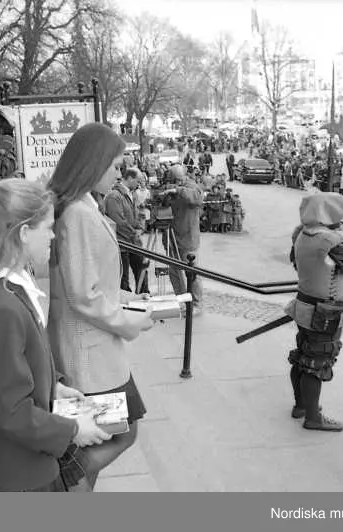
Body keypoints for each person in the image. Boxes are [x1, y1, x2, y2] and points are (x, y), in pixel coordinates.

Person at [0, 178, 110, 492]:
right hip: (12, 474)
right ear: (24, 233)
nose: (53, 236)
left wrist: (52, 386)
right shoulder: (0, 307)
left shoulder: (13, 287)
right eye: (48, 227)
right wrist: (70, 430)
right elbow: (8, 409)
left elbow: (16, 366)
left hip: (23, 464)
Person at [47, 123, 154, 491]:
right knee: (116, 437)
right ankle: (61, 486)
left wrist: (127, 298)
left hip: (98, 352)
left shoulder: (85, 206)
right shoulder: (78, 212)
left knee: (113, 436)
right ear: (92, 165)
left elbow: (96, 283)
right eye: (114, 165)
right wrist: (128, 322)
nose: (119, 173)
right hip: (90, 357)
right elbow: (82, 294)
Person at [286, 193, 343, 432]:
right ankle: (313, 417)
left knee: (303, 356)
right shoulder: (332, 239)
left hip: (304, 306)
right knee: (317, 362)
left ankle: (301, 405)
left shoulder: (301, 233)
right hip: (325, 312)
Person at [162, 165, 204, 314]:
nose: (178, 182)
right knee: (174, 270)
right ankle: (181, 301)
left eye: (180, 179)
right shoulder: (170, 185)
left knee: (191, 272)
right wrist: (165, 196)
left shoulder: (191, 185)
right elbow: (163, 205)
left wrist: (178, 190)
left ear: (184, 176)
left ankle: (196, 304)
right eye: (175, 180)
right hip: (172, 236)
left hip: (188, 236)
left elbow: (198, 198)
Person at [103, 169, 148, 294]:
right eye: (137, 181)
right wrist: (134, 232)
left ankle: (144, 294)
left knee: (142, 271)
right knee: (124, 279)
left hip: (133, 242)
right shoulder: (114, 196)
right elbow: (118, 220)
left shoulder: (131, 194)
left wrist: (140, 227)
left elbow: (136, 214)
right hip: (122, 243)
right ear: (129, 178)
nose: (139, 185)